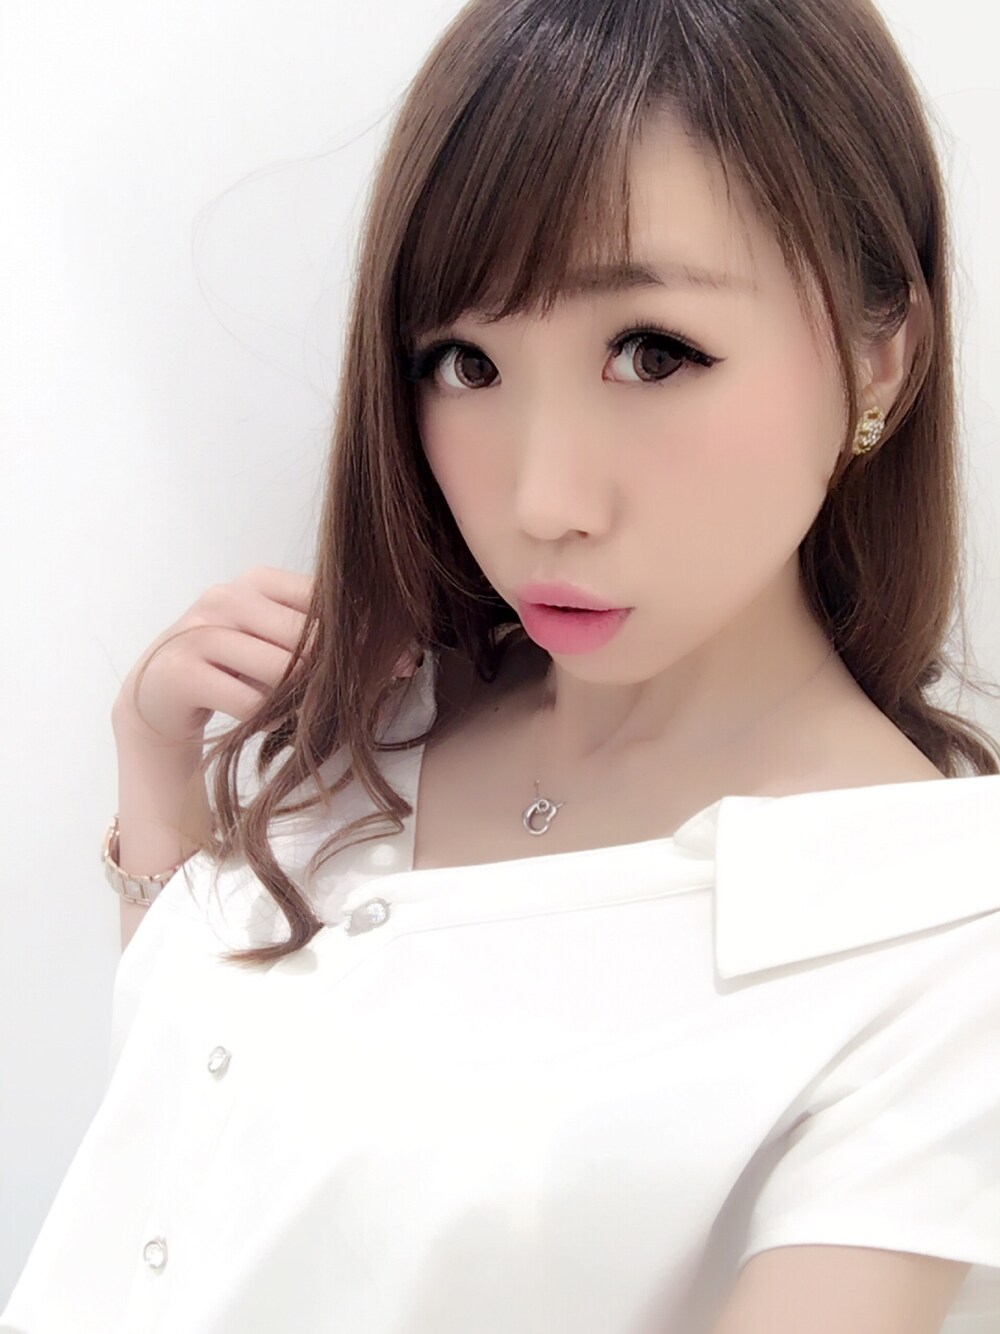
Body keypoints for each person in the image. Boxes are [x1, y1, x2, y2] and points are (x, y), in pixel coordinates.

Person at [4, 0, 1000, 1330]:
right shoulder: (388, 716)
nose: (542, 500)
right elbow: (180, 1154)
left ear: (884, 357)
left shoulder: (935, 937)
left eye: (653, 352)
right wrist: (156, 776)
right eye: (465, 361)